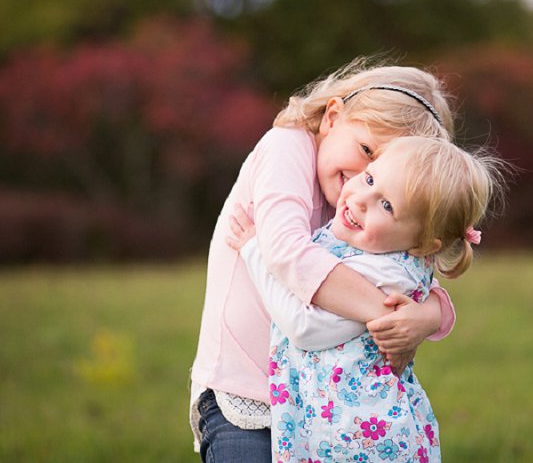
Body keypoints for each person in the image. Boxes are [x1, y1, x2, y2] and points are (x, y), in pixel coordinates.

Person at [189, 58, 461, 462]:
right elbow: (286, 253)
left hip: (317, 414)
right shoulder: (288, 145)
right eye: (366, 150)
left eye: (382, 173)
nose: (363, 180)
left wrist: (425, 316)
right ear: (333, 116)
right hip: (246, 393)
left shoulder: (366, 207)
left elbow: (410, 277)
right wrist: (386, 313)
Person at [228, 136, 506, 462]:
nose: (361, 200)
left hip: (359, 439)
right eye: (370, 178)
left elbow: (304, 327)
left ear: (423, 244)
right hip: (339, 430)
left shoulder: (385, 274)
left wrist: (256, 254)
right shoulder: (371, 246)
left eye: (387, 206)